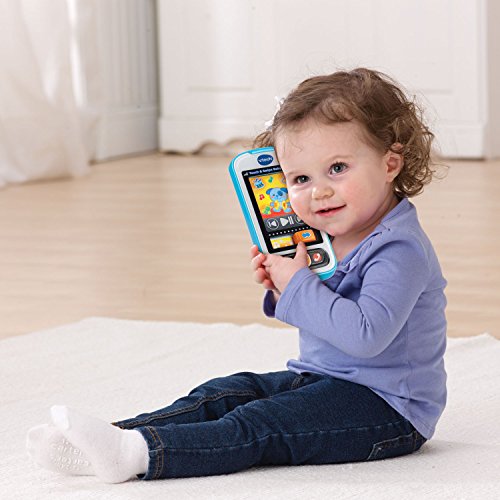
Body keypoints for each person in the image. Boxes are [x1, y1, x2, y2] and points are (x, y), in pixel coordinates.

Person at [26, 68, 447, 483]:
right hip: (322, 380)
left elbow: (365, 335)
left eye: (337, 168)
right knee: (225, 393)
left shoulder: (399, 248)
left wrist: (298, 284)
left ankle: (138, 454)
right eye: (300, 178)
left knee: (260, 423)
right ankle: (117, 436)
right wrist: (281, 286)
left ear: (390, 163)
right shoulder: (328, 234)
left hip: (389, 410)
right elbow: (323, 314)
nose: (319, 191)